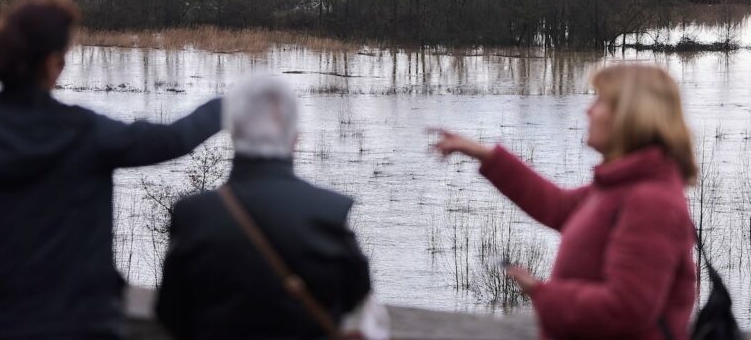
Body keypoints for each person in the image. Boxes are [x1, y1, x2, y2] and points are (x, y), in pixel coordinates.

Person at [0, 0, 223, 340]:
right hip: (82, 326)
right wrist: (228, 105)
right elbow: (172, 140)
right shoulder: (86, 133)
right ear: (52, 64)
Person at [431, 64, 697, 340]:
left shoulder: (651, 202)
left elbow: (626, 309)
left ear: (631, 117)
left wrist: (543, 294)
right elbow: (556, 206)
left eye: (601, 101)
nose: (588, 110)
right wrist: (484, 155)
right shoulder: (621, 188)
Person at [157, 76, 371, 340]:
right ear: (295, 139)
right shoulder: (330, 213)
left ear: (233, 133)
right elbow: (355, 298)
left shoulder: (193, 215)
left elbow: (169, 313)